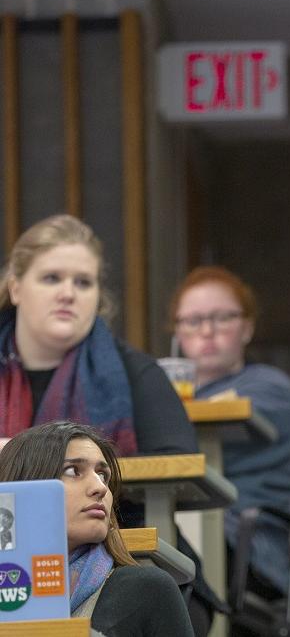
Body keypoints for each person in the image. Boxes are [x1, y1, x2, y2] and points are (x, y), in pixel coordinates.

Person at [0, 214, 218, 635]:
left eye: (84, 283)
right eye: (51, 278)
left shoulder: (134, 371)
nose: (68, 293)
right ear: (15, 287)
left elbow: (177, 460)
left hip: (120, 545)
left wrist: (78, 468)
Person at [169, 266, 290, 601]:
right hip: (184, 534)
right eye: (192, 321)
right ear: (177, 333)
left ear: (247, 327)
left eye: (222, 318)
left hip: (246, 549)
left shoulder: (271, 388)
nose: (207, 331)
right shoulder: (166, 395)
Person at [0, 421, 195, 636]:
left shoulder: (146, 589)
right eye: (74, 471)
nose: (100, 488)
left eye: (103, 475)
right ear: (25, 485)